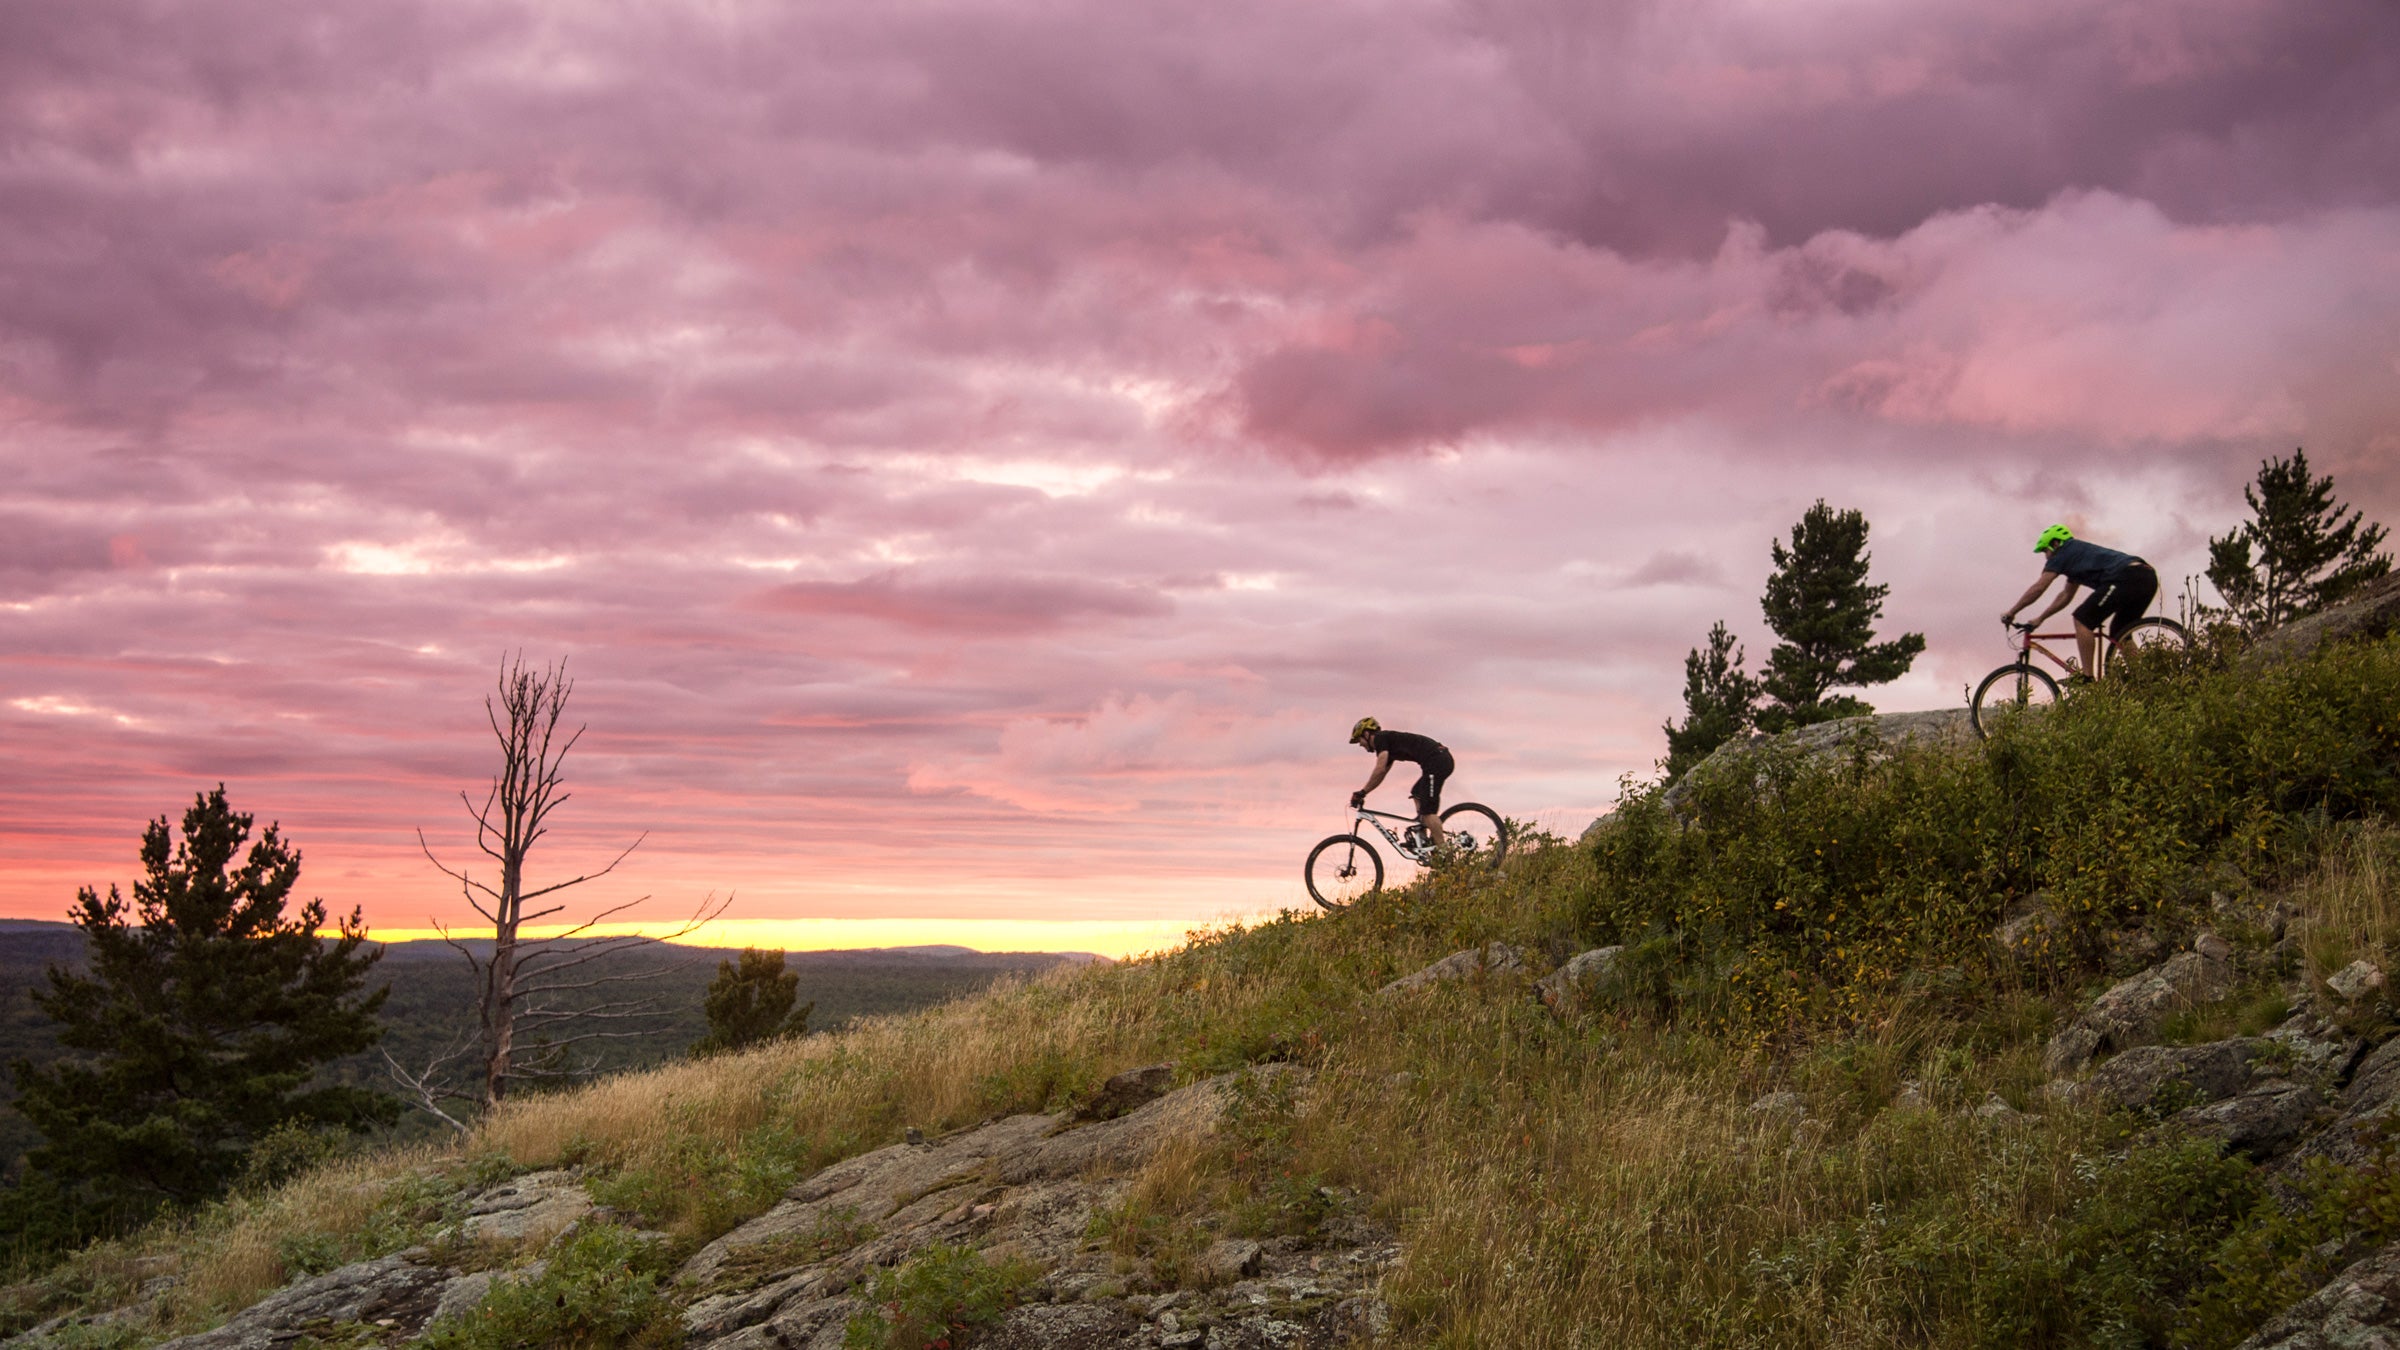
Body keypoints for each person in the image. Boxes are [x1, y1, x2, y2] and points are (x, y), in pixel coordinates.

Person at [2001, 524, 2160, 678]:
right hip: (2146, 576)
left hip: (2124, 576)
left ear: (2055, 543)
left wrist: (2012, 612)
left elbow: (2039, 588)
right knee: (2120, 631)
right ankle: (2143, 679)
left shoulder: (2062, 553)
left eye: (2045, 550)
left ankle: (2088, 678)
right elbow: (2065, 596)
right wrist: (2040, 619)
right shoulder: (2077, 555)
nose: (2045, 557)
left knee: (2082, 620)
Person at [1348, 717, 1454, 851]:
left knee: (1428, 813)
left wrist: (1362, 792)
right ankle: (1424, 838)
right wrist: (1364, 792)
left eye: (1360, 740)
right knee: (1416, 793)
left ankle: (1445, 854)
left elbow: (1379, 769)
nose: (1361, 745)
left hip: (1437, 760)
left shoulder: (1381, 738)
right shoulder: (1389, 746)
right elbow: (1380, 775)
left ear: (1367, 734)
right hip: (1438, 759)